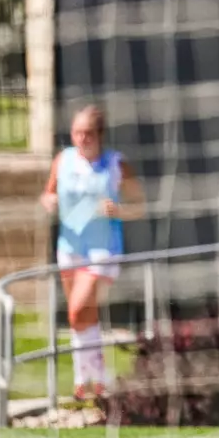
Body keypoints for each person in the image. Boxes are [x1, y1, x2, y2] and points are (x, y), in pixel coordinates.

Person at [39, 105, 145, 401]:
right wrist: (49, 201)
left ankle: (95, 377)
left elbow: (139, 206)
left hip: (103, 249)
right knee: (83, 317)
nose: (82, 139)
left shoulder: (115, 164)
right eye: (77, 133)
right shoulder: (63, 160)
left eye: (88, 133)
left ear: (100, 135)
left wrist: (118, 210)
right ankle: (88, 381)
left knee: (77, 309)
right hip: (70, 246)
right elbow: (48, 192)